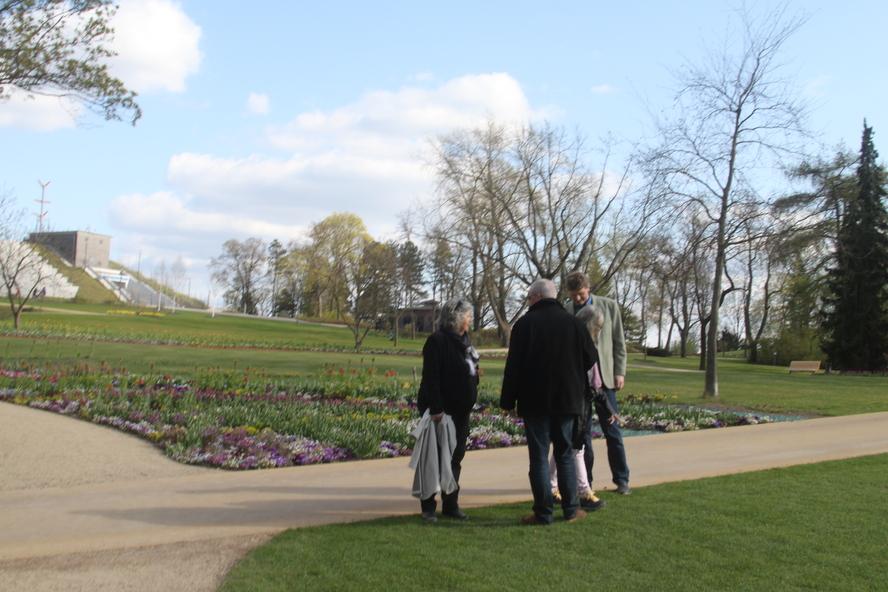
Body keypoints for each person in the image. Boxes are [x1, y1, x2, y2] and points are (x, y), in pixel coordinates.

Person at [500, 279, 597, 525]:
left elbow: (513, 367)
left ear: (536, 297)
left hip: (535, 401)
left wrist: (507, 401)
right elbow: (590, 358)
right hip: (567, 399)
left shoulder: (524, 325)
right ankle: (571, 509)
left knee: (539, 457)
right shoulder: (574, 324)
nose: (528, 301)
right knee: (565, 455)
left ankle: (543, 512)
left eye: (529, 297)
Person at [564, 270, 631, 495]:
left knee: (612, 431)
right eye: (573, 295)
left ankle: (622, 479)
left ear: (588, 289)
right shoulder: (566, 310)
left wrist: (619, 372)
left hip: (605, 379)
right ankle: (586, 483)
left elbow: (619, 342)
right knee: (583, 435)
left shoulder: (609, 306)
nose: (577, 299)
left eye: (581, 294)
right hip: (579, 381)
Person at [416, 298, 479, 523]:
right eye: (468, 316)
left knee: (455, 456)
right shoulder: (437, 341)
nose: (470, 320)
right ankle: (428, 507)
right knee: (433, 458)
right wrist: (436, 408)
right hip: (440, 411)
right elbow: (431, 378)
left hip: (461, 411)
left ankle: (451, 504)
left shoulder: (465, 341)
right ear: (457, 318)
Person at [548, 304, 612, 510]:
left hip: (564, 400)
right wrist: (607, 406)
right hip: (577, 403)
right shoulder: (586, 347)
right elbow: (595, 383)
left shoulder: (564, 341)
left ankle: (551, 487)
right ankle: (584, 492)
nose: (599, 331)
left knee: (564, 446)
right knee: (576, 448)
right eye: (598, 327)